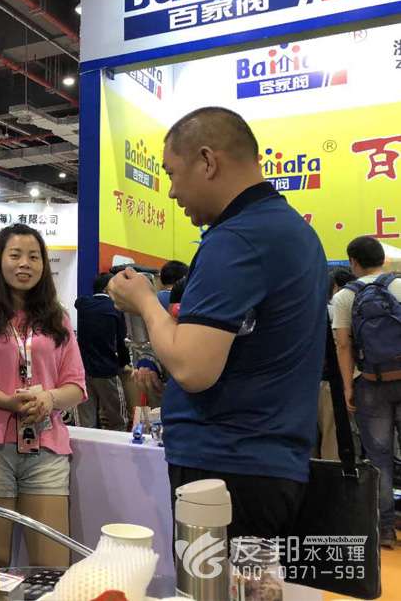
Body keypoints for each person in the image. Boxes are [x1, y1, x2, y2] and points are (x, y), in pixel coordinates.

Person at [107, 106, 327, 544]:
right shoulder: (290, 230)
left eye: (172, 174)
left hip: (225, 467)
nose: (172, 192)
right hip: (263, 462)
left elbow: (193, 368)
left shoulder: (237, 239)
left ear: (207, 161)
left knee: (212, 580)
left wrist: (145, 301)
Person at [0, 223, 86, 568]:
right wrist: (7, 402)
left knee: (52, 565)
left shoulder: (57, 318)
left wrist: (49, 400)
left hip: (46, 447)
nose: (25, 263)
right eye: (15, 255)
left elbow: (76, 384)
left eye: (34, 256)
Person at [332, 236, 401, 548]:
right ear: (382, 260)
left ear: (353, 262)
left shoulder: (345, 296)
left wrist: (348, 386)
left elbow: (343, 345)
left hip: (371, 383)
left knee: (379, 458)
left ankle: (385, 529)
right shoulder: (398, 285)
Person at [74, 273, 131, 430]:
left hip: (83, 370)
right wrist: (125, 363)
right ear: (108, 288)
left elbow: (78, 303)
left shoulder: (83, 304)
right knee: (117, 420)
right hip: (107, 370)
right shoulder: (115, 308)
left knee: (86, 422)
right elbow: (121, 342)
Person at [317, 267, 355, 461]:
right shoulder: (335, 312)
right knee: (333, 439)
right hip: (331, 382)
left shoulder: (299, 312)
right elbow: (343, 345)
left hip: (302, 383)